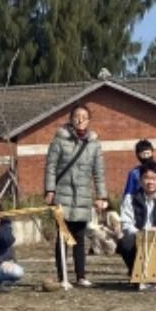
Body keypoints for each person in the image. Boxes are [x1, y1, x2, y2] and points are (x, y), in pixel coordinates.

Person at [44, 103, 108, 287]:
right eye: (76, 116)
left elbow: (99, 172)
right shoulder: (58, 141)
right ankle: (63, 276)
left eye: (84, 117)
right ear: (70, 119)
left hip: (82, 195)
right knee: (63, 235)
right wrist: (50, 190)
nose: (80, 120)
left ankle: (81, 276)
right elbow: (50, 167)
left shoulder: (94, 144)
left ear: (89, 120)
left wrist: (101, 196)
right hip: (62, 194)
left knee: (80, 236)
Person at [116, 161, 156, 273]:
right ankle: (136, 272)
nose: (150, 182)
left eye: (154, 178)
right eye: (146, 178)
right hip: (139, 235)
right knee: (124, 243)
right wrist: (140, 233)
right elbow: (126, 223)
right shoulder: (130, 198)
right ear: (140, 180)